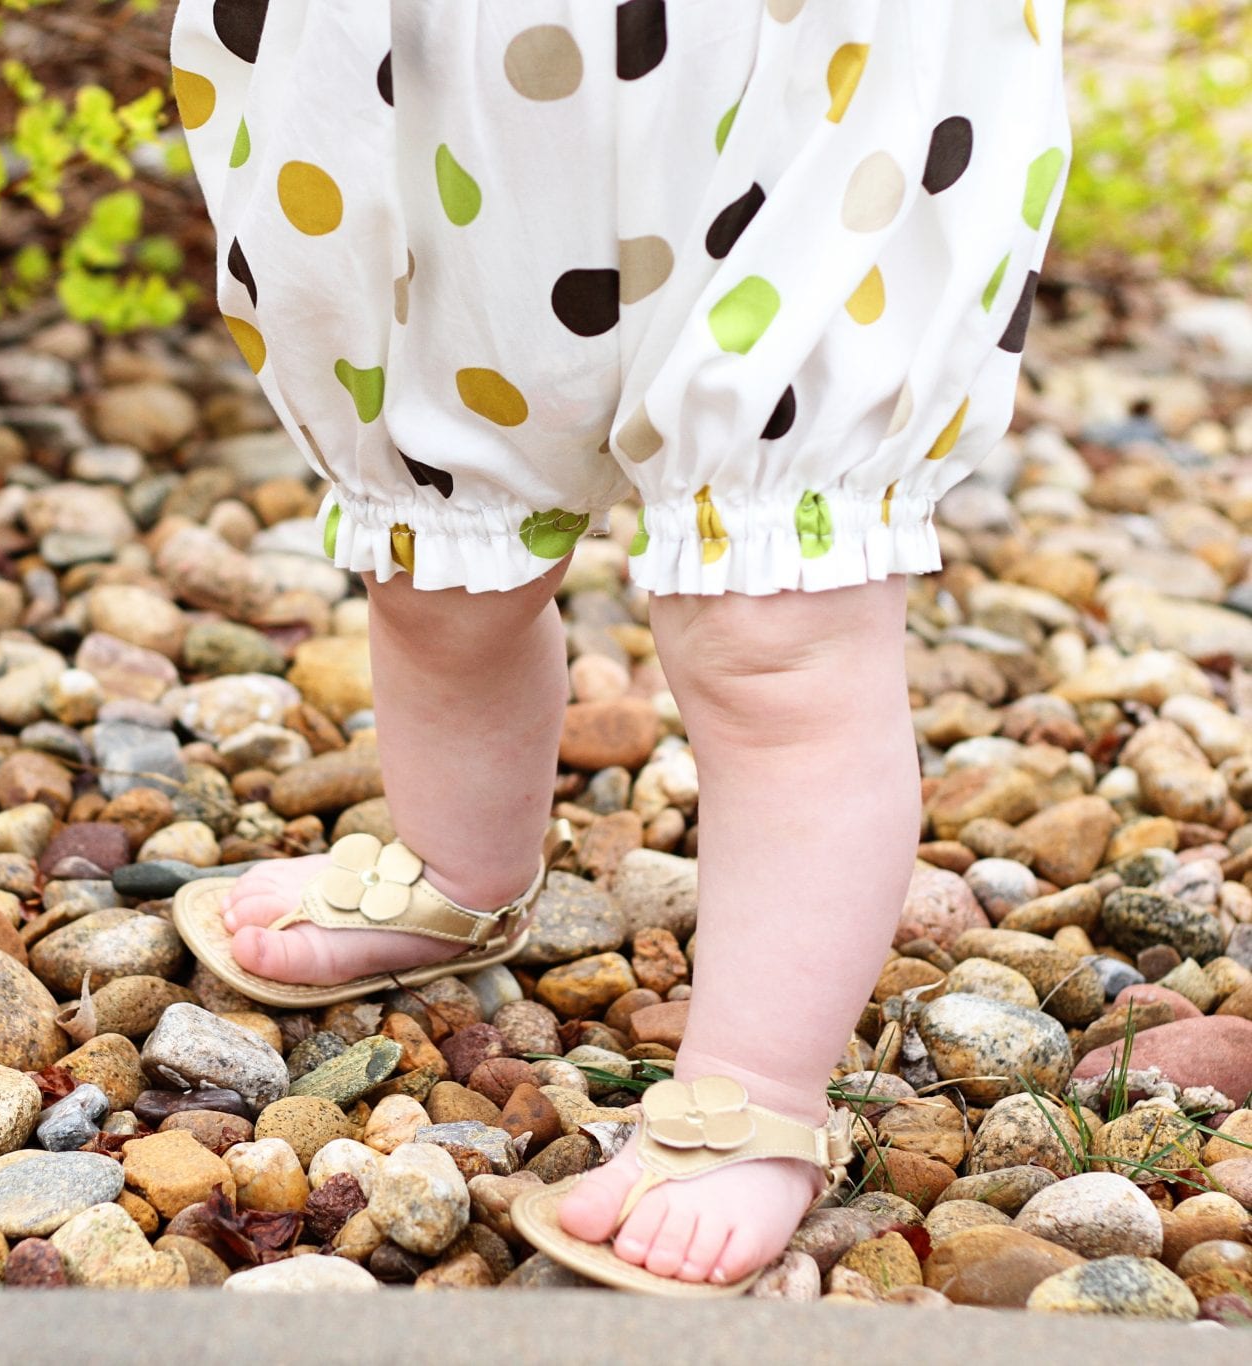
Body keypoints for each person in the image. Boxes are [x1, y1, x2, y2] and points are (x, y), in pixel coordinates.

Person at [166, 0, 1069, 1294]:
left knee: (778, 630)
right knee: (439, 565)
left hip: (810, 76)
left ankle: (755, 1085)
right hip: (458, 72)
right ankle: (458, 867)